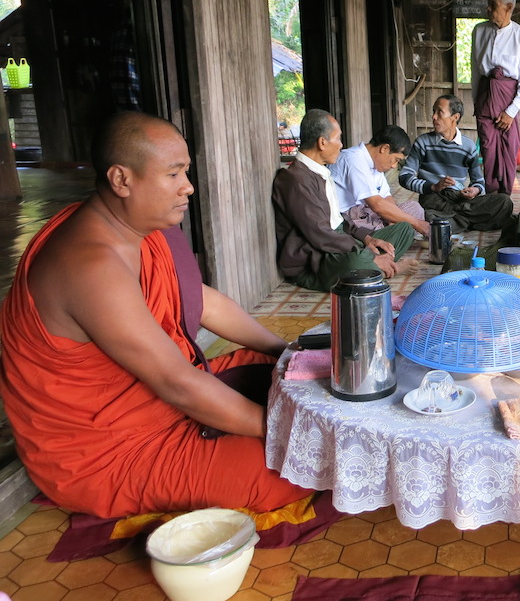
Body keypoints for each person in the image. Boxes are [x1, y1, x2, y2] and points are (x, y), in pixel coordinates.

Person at [0, 111, 312, 519]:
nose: (188, 187)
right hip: (112, 450)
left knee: (289, 372)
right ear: (121, 180)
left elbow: (200, 301)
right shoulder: (90, 265)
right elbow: (177, 383)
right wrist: (284, 433)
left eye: (186, 171)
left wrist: (283, 349)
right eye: (174, 174)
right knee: (292, 468)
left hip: (159, 397)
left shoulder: (137, 231)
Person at [272, 110, 416, 291]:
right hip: (315, 261)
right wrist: (367, 255)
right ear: (322, 142)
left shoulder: (319, 172)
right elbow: (319, 234)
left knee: (403, 230)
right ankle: (384, 268)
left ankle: (376, 266)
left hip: (337, 243)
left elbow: (338, 219)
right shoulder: (295, 179)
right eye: (338, 139)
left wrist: (368, 238)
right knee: (356, 259)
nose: (341, 145)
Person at [398, 94, 514, 231]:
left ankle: (453, 222)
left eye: (439, 112)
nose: (434, 117)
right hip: (434, 199)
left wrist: (474, 190)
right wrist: (433, 187)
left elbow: (479, 182)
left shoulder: (468, 146)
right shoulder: (423, 143)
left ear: (455, 117)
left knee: (504, 202)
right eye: (433, 112)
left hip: (458, 198)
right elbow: (404, 176)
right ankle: (463, 221)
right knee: (430, 208)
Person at [471, 0, 520, 195]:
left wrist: (511, 111)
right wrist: (477, 101)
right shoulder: (479, 31)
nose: (488, 9)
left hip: (509, 98)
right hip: (485, 96)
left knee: (509, 149)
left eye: (493, 5)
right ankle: (491, 196)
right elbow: (476, 72)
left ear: (509, 7)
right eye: (489, 5)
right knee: (488, 149)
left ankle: (505, 197)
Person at [330, 124, 431, 238]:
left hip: (369, 214)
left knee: (414, 208)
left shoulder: (375, 165)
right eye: (396, 160)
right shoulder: (354, 159)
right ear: (385, 148)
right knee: (406, 224)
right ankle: (390, 240)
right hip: (349, 220)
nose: (394, 166)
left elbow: (386, 197)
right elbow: (377, 204)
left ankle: (394, 237)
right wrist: (416, 223)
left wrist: (393, 219)